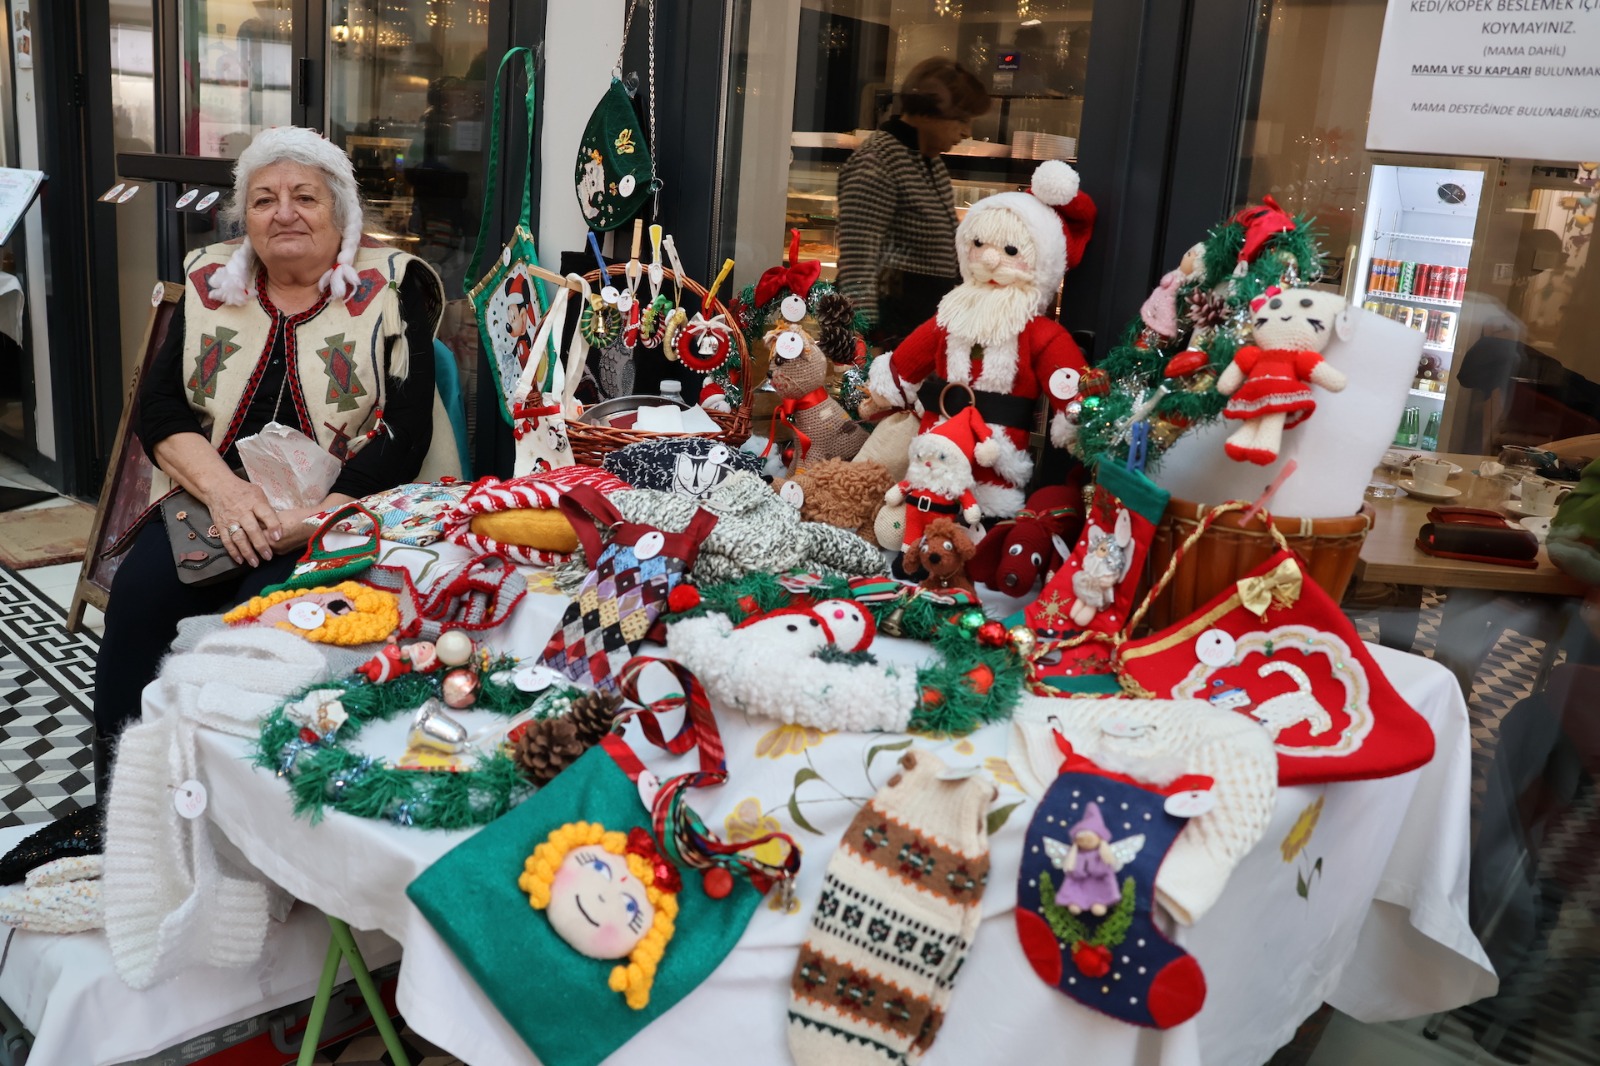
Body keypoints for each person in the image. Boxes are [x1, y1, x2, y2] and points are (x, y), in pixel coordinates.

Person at [93, 126, 445, 778]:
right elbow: (160, 410)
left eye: (305, 197)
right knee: (137, 603)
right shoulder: (209, 281)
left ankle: (225, 813)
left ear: (342, 214)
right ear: (244, 217)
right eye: (263, 199)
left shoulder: (391, 289)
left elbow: (404, 433)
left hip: (339, 513)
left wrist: (312, 521)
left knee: (257, 629)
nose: (284, 212)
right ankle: (121, 802)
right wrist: (226, 494)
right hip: (211, 505)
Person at [835, 57, 990, 349]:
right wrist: (859, 347)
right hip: (888, 340)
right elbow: (858, 266)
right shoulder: (878, 160)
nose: (967, 131)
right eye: (961, 119)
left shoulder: (930, 160)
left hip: (919, 335)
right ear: (928, 113)